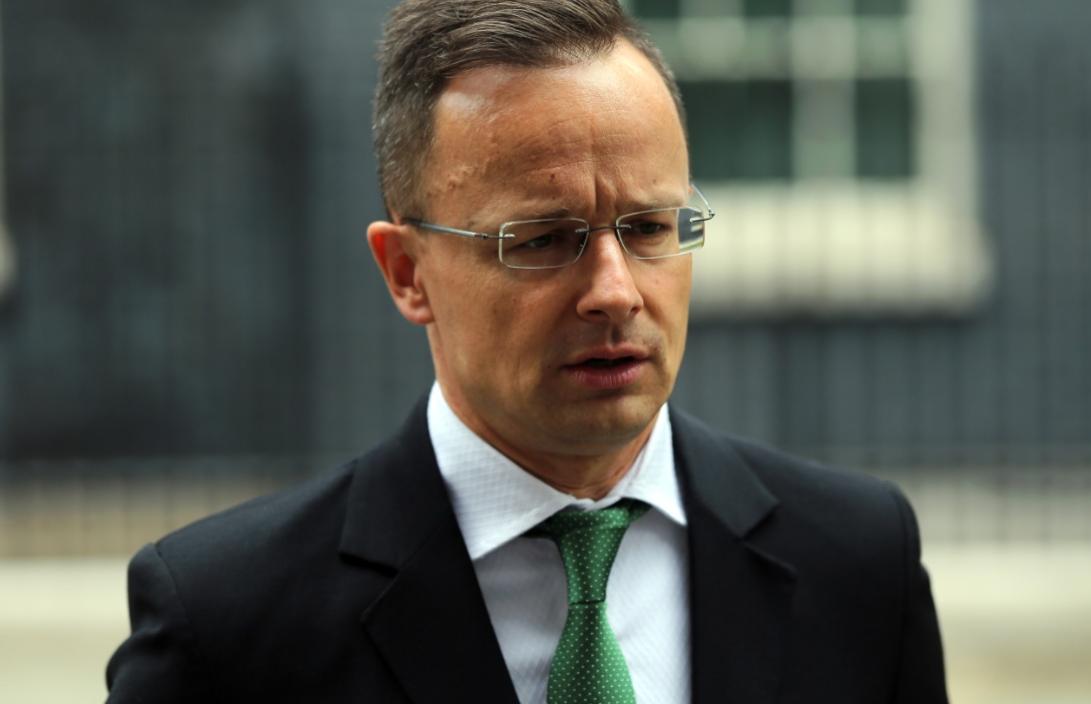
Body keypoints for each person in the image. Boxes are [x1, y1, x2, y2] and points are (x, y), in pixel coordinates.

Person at [105, 1, 948, 702]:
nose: (615, 291)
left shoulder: (857, 561)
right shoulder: (226, 626)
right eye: (543, 239)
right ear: (407, 273)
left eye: (650, 228)